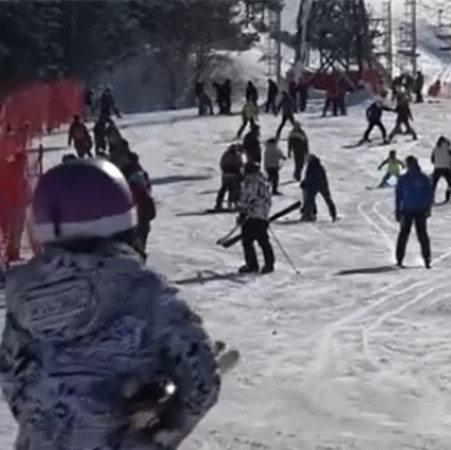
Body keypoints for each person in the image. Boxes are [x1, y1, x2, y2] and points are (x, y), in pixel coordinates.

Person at [0, 159, 220, 449]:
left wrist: (49, 423)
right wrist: (159, 433)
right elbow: (202, 381)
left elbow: (12, 377)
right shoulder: (145, 290)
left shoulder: (23, 294)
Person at [237, 161, 275, 274]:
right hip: (262, 216)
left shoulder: (249, 183)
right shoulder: (264, 182)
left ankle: (252, 265)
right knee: (263, 241)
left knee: (247, 241)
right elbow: (268, 200)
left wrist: (242, 213)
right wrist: (265, 214)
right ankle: (269, 264)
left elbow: (245, 199)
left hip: (251, 216)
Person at [395, 156, 433, 269]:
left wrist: (398, 210)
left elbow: (399, 196)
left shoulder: (411, 178)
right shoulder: (422, 178)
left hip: (411, 210)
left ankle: (401, 259)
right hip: (414, 210)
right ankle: (426, 259)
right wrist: (428, 208)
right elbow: (430, 195)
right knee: (420, 235)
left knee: (406, 235)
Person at [300, 155, 337, 222]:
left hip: (314, 186)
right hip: (321, 185)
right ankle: (333, 214)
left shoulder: (311, 167)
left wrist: (305, 183)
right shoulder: (319, 167)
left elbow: (309, 177)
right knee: (326, 200)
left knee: (309, 200)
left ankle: (309, 214)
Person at [430, 136, 451, 202]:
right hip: (446, 167)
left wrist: (436, 163)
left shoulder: (435, 149)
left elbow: (432, 159)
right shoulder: (448, 149)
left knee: (433, 184)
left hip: (437, 168)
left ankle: (430, 198)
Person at [215, 144, 244, 210]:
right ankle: (233, 203)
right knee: (234, 190)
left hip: (226, 175)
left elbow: (222, 164)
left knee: (224, 189)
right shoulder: (237, 155)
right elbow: (240, 165)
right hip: (234, 175)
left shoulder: (226, 155)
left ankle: (219, 204)